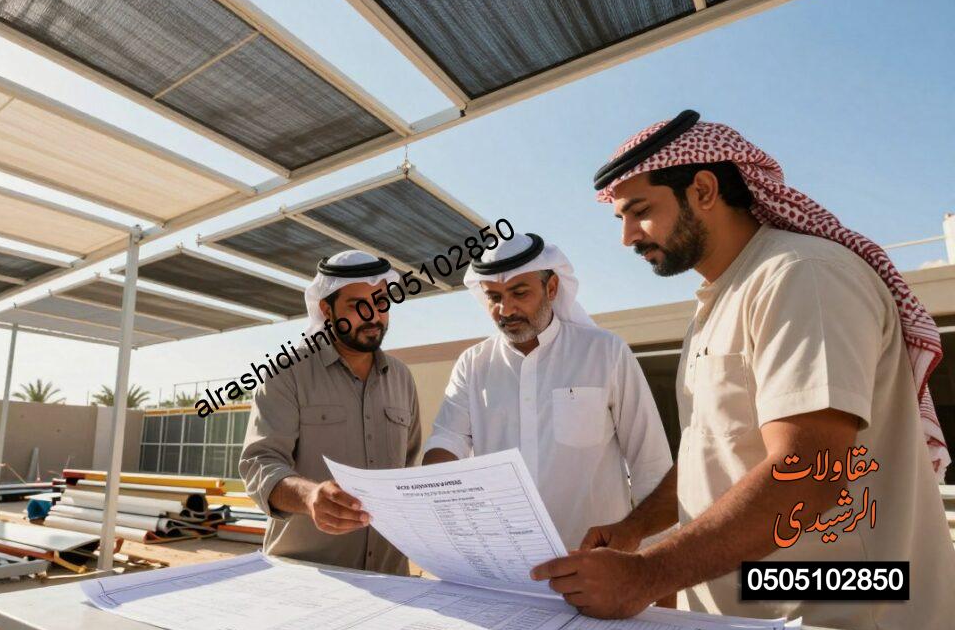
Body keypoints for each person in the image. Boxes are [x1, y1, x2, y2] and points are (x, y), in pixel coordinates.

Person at [530, 110, 955, 630]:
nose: (627, 236)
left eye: (639, 212)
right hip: (758, 626)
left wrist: (646, 575)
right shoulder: (721, 299)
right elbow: (720, 451)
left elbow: (809, 474)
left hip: (845, 626)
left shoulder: (801, 275)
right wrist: (636, 527)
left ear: (703, 190)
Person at [422, 232, 672, 551]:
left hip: (594, 563)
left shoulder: (605, 352)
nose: (505, 309)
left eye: (519, 292)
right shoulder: (473, 364)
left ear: (551, 288)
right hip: (505, 561)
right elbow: (447, 441)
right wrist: (429, 499)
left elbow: (649, 461)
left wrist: (654, 566)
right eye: (494, 297)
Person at [240, 250, 422, 574]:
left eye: (381, 302)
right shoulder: (285, 373)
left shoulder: (402, 379)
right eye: (357, 305)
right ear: (326, 309)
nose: (373, 315)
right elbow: (259, 464)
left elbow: (409, 471)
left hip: (391, 578)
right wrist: (310, 497)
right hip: (305, 580)